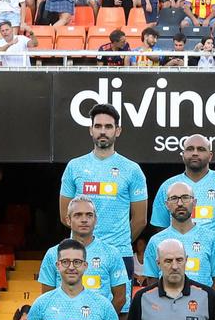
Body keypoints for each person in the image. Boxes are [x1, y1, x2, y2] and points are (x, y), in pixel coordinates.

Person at [58, 101, 148, 270]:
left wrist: (115, 243)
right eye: (98, 126)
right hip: (80, 254)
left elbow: (140, 220)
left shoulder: (132, 169)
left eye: (108, 126)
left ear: (118, 130)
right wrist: (89, 243)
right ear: (91, 130)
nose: (103, 131)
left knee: (119, 298)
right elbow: (65, 216)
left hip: (119, 253)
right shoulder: (74, 166)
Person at [150, 134, 215, 246]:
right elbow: (161, 225)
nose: (195, 153)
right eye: (190, 149)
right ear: (183, 155)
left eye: (201, 149)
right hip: (180, 260)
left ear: (210, 155)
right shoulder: (168, 186)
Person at [139, 180, 215, 293]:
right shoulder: (155, 241)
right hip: (167, 309)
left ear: (195, 202)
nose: (180, 203)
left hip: (201, 308)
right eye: (174, 198)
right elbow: (152, 281)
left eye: (185, 197)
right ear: (167, 205)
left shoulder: (211, 238)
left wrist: (205, 306)